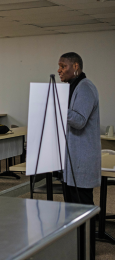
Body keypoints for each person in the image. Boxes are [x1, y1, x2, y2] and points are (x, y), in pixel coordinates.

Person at [57, 52, 101, 205]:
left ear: (75, 67)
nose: (59, 70)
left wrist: (58, 106)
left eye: (63, 66)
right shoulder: (73, 87)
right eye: (59, 67)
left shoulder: (85, 87)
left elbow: (79, 121)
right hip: (71, 159)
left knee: (82, 207)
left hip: (81, 159)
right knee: (71, 207)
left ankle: (88, 230)